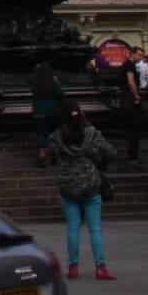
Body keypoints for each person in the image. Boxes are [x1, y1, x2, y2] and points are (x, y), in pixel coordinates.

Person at [50, 106, 116, 280]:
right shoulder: (92, 133)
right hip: (90, 184)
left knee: (73, 228)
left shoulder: (57, 136)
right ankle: (101, 267)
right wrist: (98, 160)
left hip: (68, 185)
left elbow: (50, 155)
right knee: (95, 229)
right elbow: (110, 152)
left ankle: (73, 267)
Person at [30, 61, 65, 166]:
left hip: (39, 113)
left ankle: (42, 156)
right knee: (54, 135)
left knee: (42, 134)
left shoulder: (34, 82)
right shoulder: (53, 81)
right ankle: (55, 157)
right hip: (53, 112)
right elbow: (61, 94)